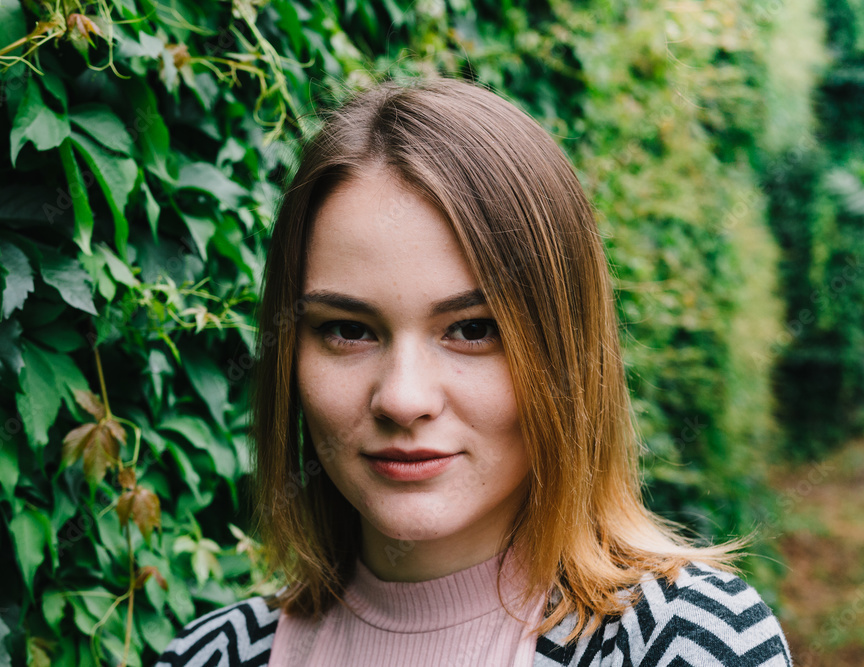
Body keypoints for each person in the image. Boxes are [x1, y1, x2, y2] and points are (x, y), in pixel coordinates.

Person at [155, 76, 792, 666]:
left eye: (473, 330)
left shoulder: (686, 642)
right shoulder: (210, 655)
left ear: (565, 352)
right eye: (348, 330)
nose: (403, 399)